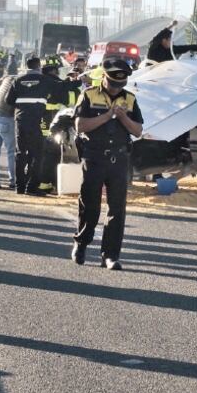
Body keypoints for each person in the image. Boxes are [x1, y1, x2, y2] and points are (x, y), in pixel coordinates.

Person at [71, 58, 143, 270]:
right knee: (90, 205)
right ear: (104, 77)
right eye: (112, 84)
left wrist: (122, 118)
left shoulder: (129, 99)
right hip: (94, 157)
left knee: (117, 209)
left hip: (119, 159)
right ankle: (82, 244)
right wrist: (108, 115)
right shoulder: (89, 95)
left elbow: (138, 130)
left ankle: (110, 255)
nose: (115, 89)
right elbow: (80, 125)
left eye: (120, 85)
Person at [6, 56, 60, 196]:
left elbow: (8, 100)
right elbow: (61, 87)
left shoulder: (17, 80)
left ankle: (19, 187)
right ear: (38, 67)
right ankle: (31, 187)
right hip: (36, 121)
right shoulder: (44, 80)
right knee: (37, 154)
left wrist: (22, 106)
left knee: (21, 154)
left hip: (21, 120)